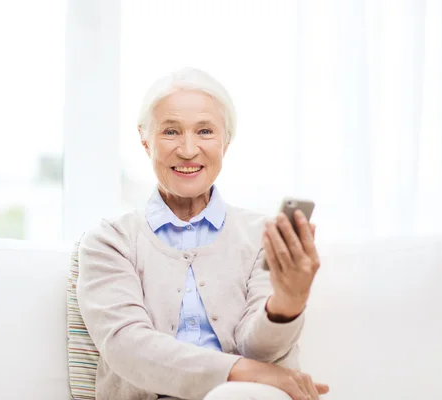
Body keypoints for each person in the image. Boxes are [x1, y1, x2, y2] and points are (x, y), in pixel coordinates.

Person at [77, 68, 329, 400]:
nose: (188, 149)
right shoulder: (110, 241)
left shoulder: (260, 235)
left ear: (226, 141)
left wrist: (288, 302)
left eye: (205, 131)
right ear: (144, 140)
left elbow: (260, 350)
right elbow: (127, 346)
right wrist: (245, 372)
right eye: (171, 131)